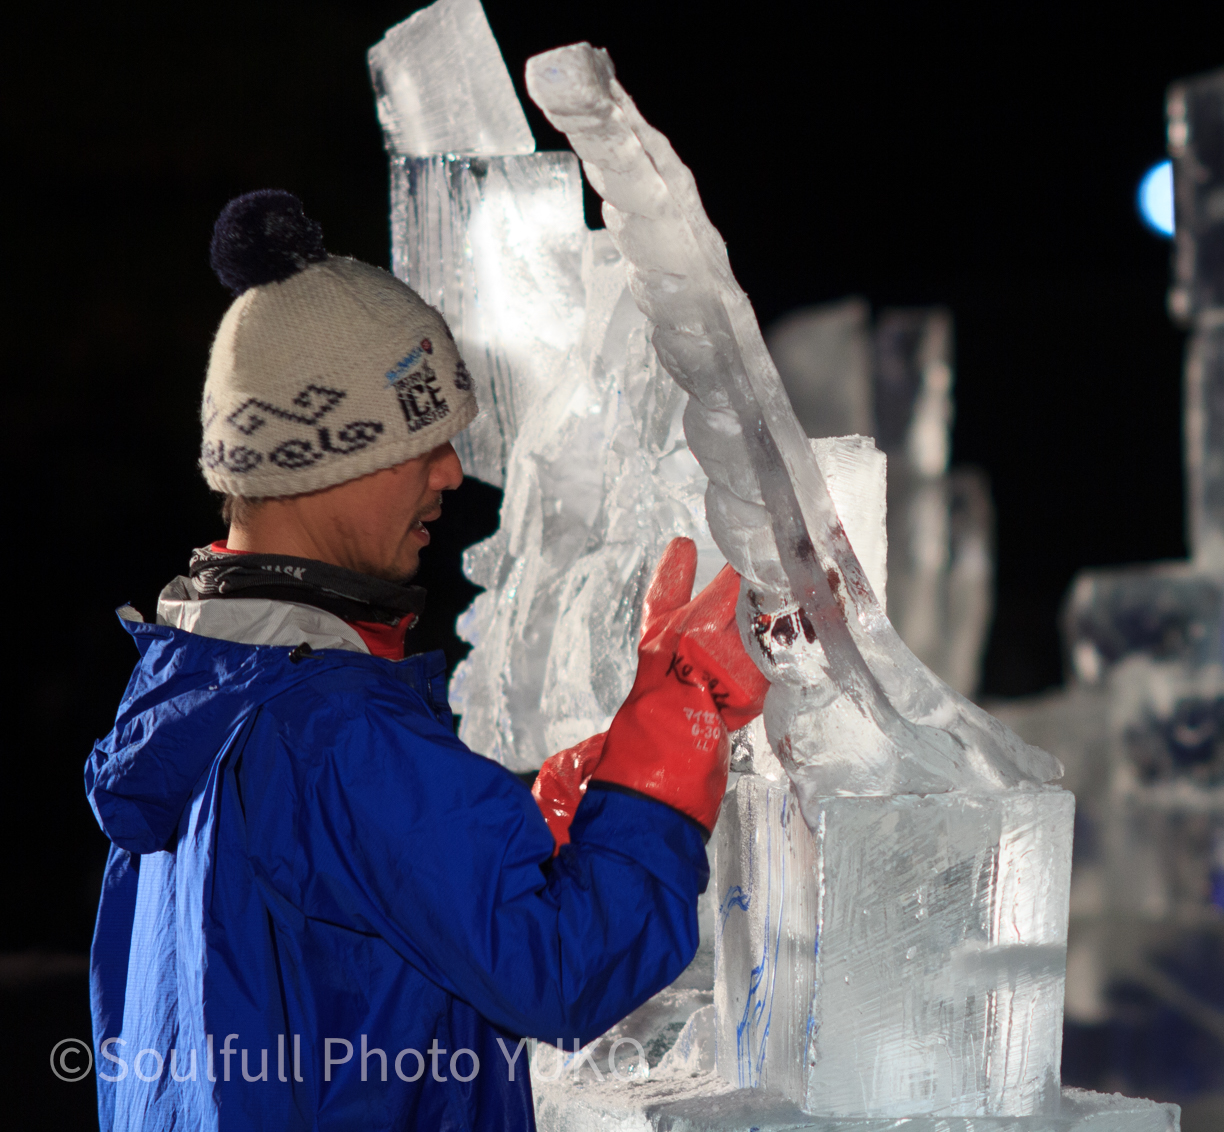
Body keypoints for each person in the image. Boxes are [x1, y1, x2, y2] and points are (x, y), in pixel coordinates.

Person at [85, 191, 767, 1130]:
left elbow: (345, 941)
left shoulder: (197, 696)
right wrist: (662, 763)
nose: (450, 472)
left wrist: (551, 819)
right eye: (422, 438)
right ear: (329, 458)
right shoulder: (333, 733)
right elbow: (563, 969)